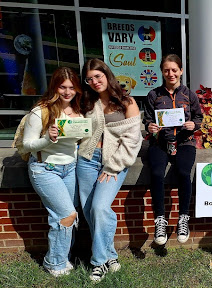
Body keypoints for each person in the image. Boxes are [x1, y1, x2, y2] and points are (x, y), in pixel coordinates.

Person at [77, 58, 142, 282]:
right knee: (89, 212)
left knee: (100, 207)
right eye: (89, 79)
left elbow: (133, 141)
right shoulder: (86, 102)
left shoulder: (126, 102)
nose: (95, 81)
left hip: (113, 163)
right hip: (86, 159)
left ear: (107, 75)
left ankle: (98, 263)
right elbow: (76, 129)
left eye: (98, 76)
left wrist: (113, 166)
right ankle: (111, 255)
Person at [23, 67, 83, 277]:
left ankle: (63, 257)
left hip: (71, 168)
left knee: (69, 215)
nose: (67, 92)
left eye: (72, 87)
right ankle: (54, 262)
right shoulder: (41, 111)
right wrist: (48, 138)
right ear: (54, 87)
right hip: (46, 168)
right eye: (62, 87)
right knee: (66, 215)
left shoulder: (79, 110)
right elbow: (27, 144)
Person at [144, 54, 203, 245]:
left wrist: (193, 125)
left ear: (181, 71)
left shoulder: (189, 95)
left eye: (174, 70)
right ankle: (160, 220)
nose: (171, 74)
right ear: (162, 71)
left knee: (184, 173)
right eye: (166, 70)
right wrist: (151, 127)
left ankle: (183, 219)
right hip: (160, 143)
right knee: (156, 173)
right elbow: (147, 120)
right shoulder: (154, 95)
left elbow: (199, 118)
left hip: (184, 142)